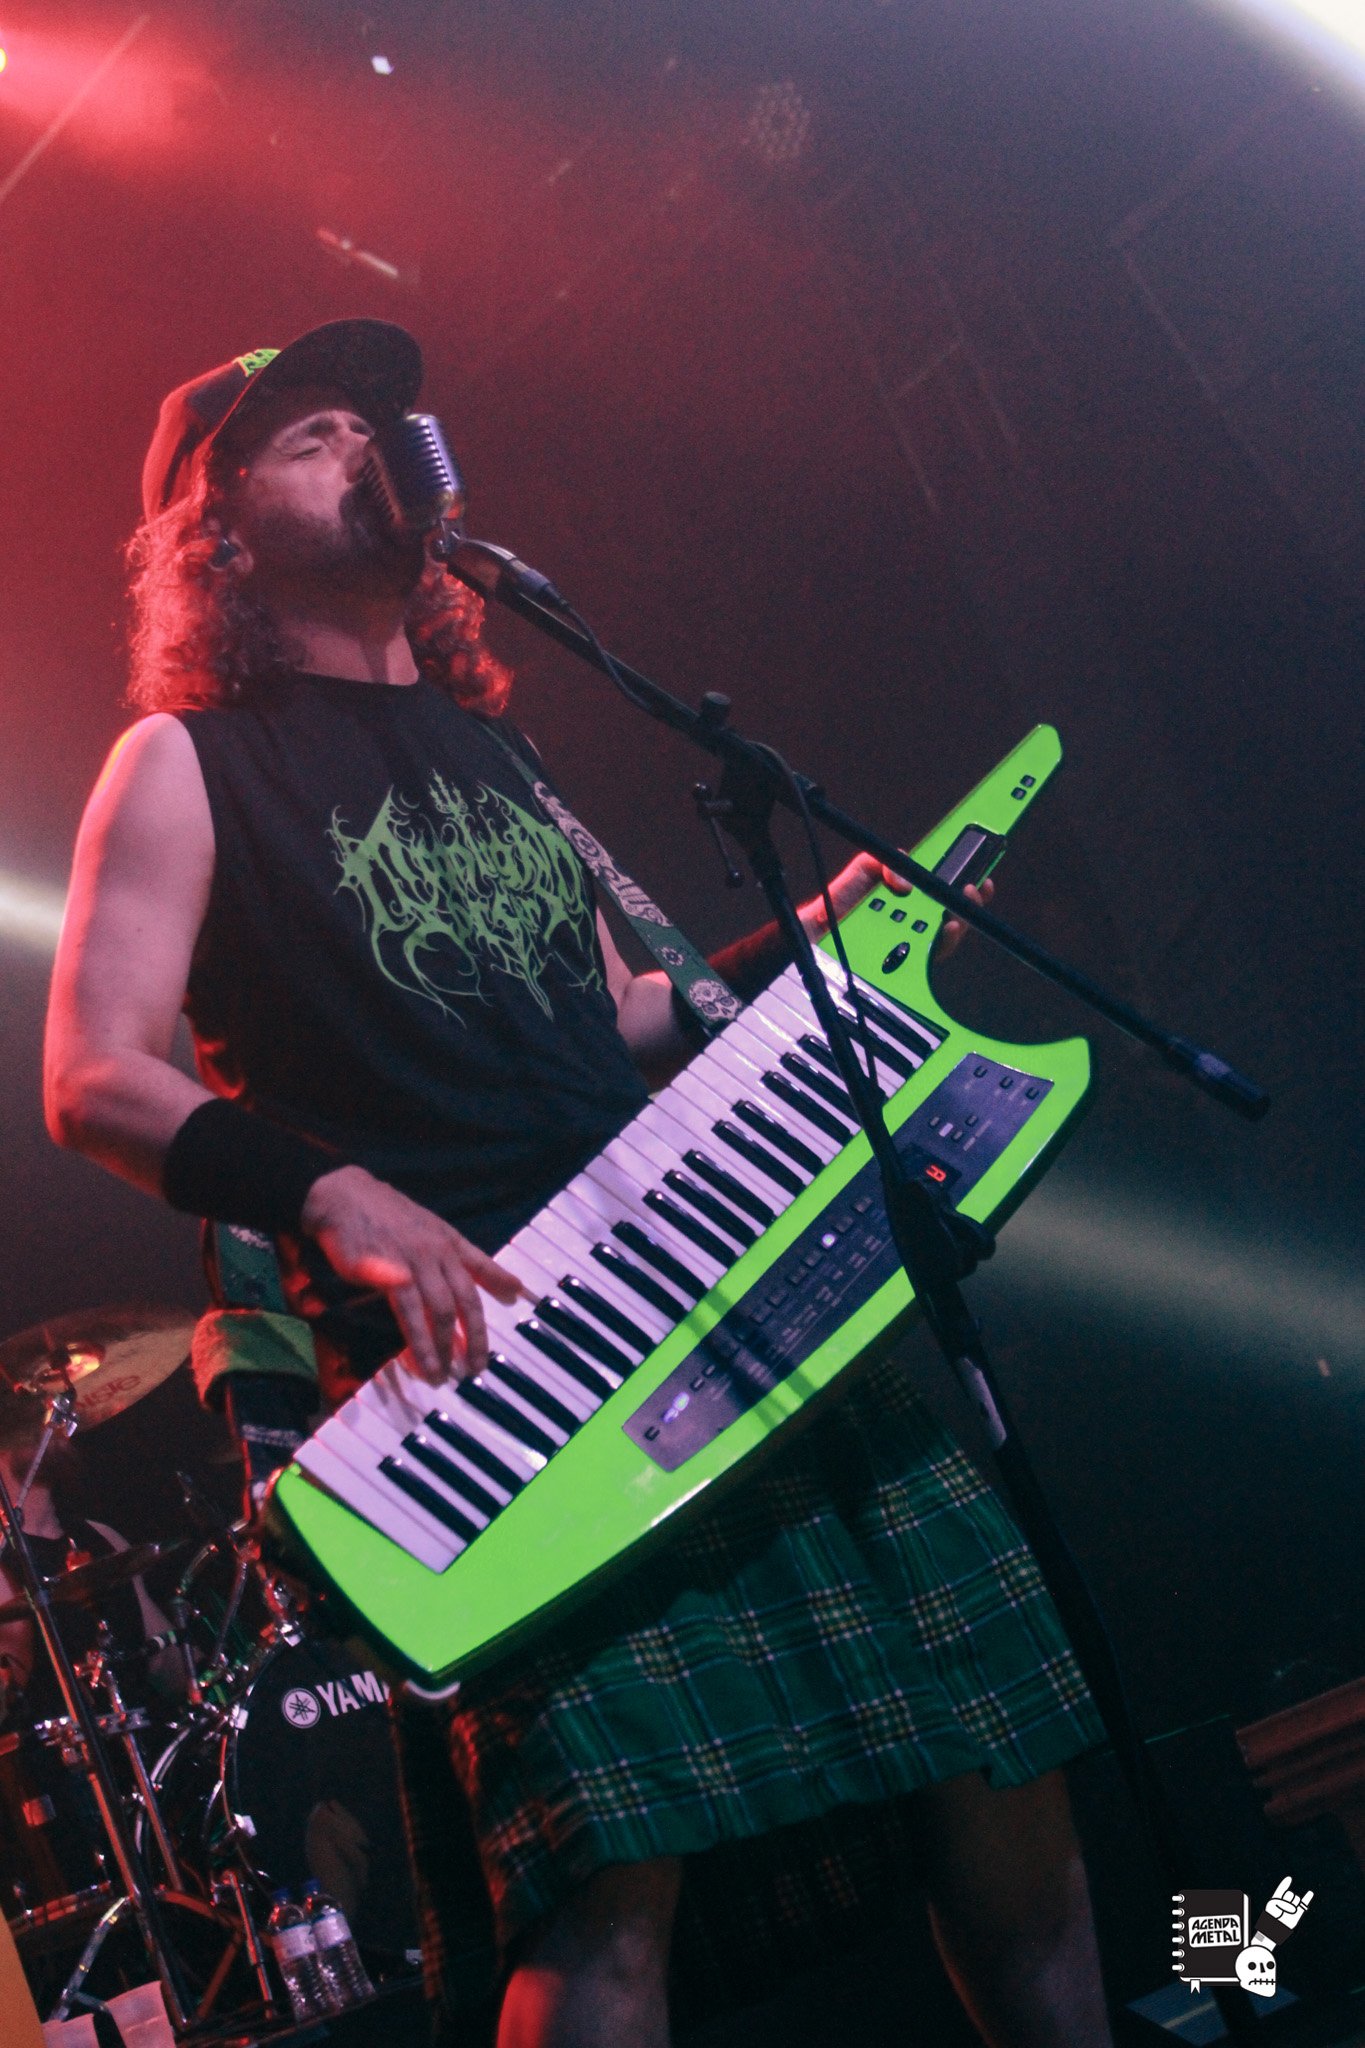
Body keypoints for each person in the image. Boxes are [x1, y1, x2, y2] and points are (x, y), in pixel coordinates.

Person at [44, 320, 1112, 2047]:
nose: (365, 444)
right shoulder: (183, 759)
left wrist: (812, 933)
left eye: (375, 422)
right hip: (497, 1371)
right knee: (605, 1890)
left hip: (711, 1279)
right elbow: (94, 1074)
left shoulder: (499, 750)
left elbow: (618, 1019)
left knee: (1001, 1766)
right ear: (213, 528)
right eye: (310, 434)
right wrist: (333, 1193)